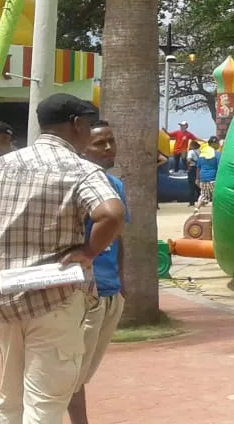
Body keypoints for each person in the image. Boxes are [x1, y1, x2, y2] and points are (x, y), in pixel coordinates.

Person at [0, 93, 126, 424]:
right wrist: (88, 252)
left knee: (10, 400)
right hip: (56, 299)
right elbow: (111, 214)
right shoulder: (81, 170)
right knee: (45, 405)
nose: (89, 133)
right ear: (76, 125)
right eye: (88, 126)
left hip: (7, 297)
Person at [68, 121, 130, 424]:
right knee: (71, 375)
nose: (108, 148)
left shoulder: (115, 186)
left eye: (111, 141)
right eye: (99, 143)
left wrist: (121, 283)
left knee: (82, 374)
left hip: (110, 292)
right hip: (83, 294)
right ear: (82, 148)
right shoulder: (73, 184)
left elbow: (119, 235)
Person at [194, 136, 221, 210]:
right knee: (216, 196)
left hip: (203, 179)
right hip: (213, 179)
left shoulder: (202, 154)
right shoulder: (217, 154)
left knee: (203, 195)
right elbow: (220, 167)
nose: (219, 145)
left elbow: (198, 167)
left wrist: (197, 179)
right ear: (214, 144)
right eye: (218, 143)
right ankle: (215, 213)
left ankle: (197, 209)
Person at [185, 140, 201, 205]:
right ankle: (201, 200)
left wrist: (188, 167)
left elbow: (188, 160)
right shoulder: (200, 151)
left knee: (191, 185)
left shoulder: (191, 152)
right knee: (198, 185)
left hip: (192, 168)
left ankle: (192, 202)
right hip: (199, 169)